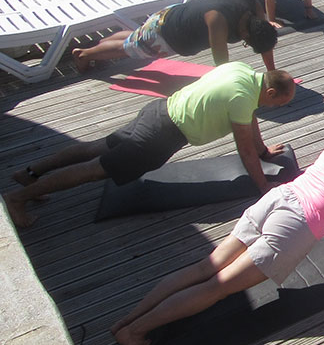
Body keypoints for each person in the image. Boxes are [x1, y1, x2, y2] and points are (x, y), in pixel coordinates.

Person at [112, 124, 324, 345]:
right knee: (216, 287)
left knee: (204, 269)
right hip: (296, 224)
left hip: (279, 198)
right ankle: (136, 331)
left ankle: (128, 321)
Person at [4, 62, 295, 229]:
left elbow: (250, 122)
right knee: (94, 170)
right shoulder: (242, 99)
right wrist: (262, 187)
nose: (276, 107)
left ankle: (30, 172)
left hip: (158, 111)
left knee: (96, 148)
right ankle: (18, 198)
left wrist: (264, 152)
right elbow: (244, 149)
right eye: (279, 103)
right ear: (269, 91)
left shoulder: (242, 71)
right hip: (159, 137)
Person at [72, 0, 279, 72]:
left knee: (136, 36)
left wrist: (271, 72)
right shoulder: (218, 21)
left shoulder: (253, 7)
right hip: (164, 34)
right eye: (246, 44)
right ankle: (84, 54)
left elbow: (264, 42)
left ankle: (99, 45)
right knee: (129, 48)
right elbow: (221, 65)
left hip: (170, 16)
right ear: (245, 35)